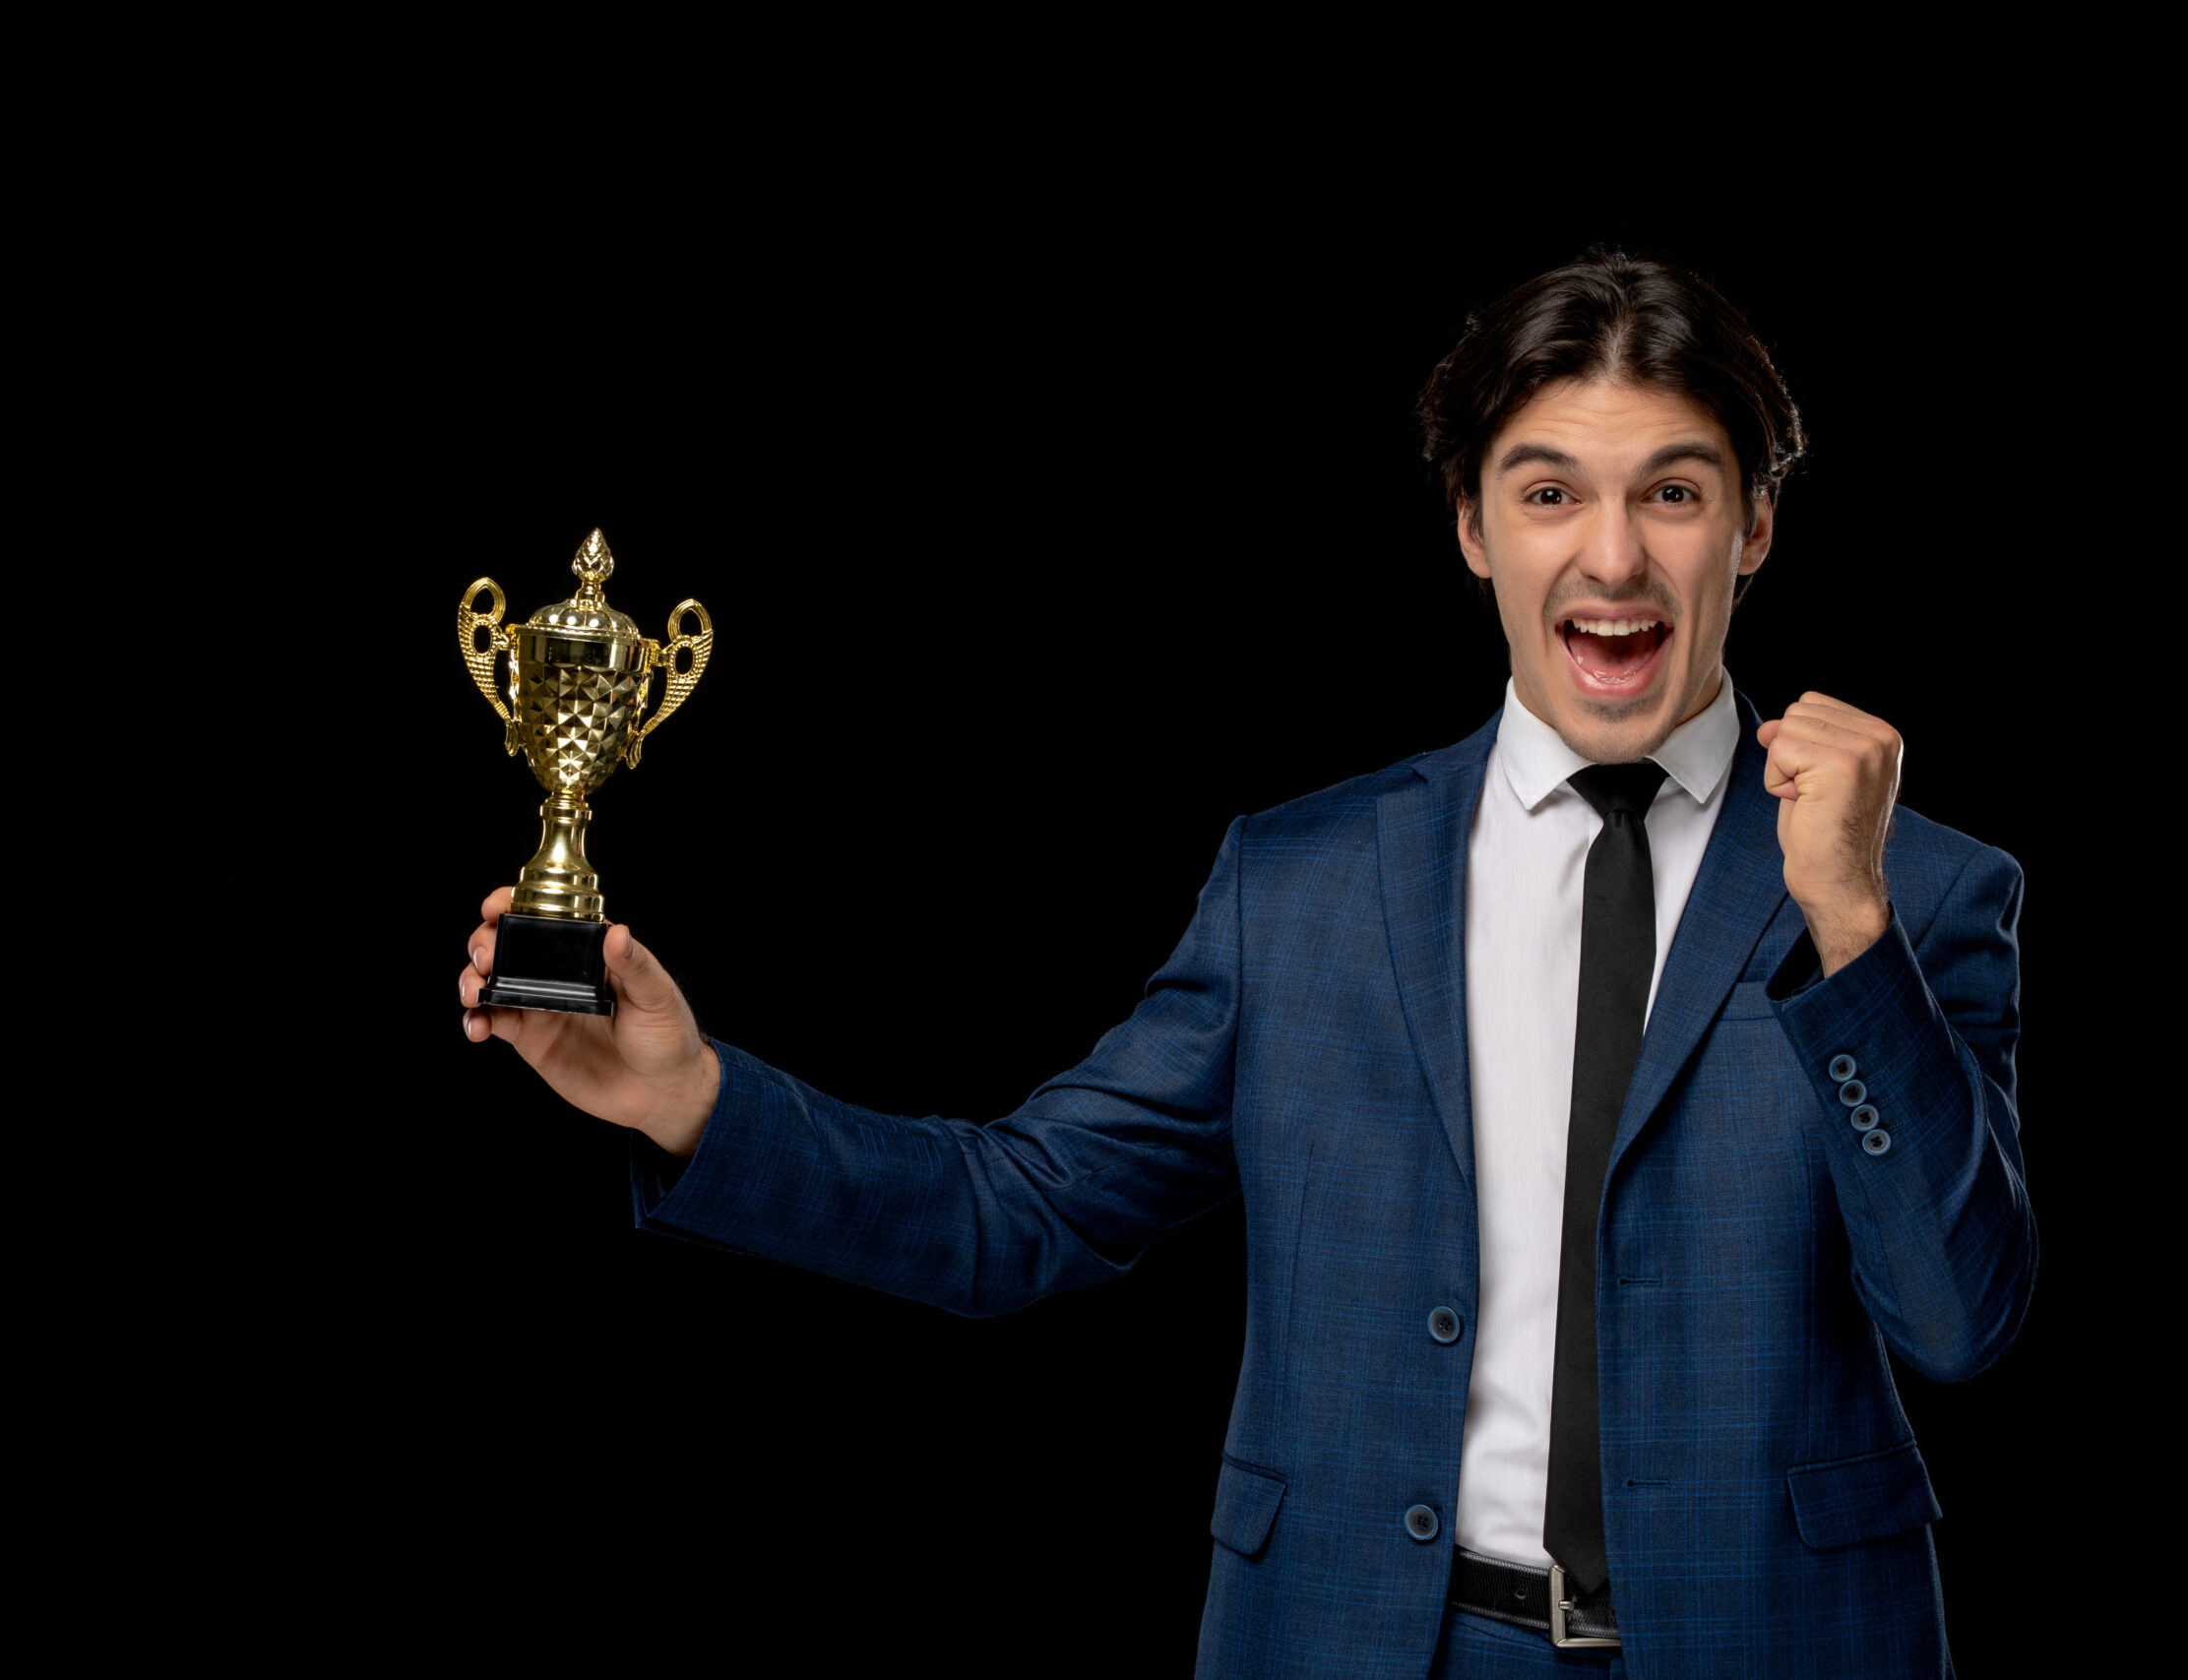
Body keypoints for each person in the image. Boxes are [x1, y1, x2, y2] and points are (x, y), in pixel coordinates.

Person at [456, 251, 2032, 1678]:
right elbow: (1023, 1213)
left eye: (1673, 494)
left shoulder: (1923, 893)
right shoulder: (1303, 884)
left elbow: (1960, 1322)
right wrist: (697, 1100)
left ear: (1754, 522)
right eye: (1550, 493)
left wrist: (1852, 931)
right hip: (1361, 1647)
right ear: (1473, 527)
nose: (1612, 558)